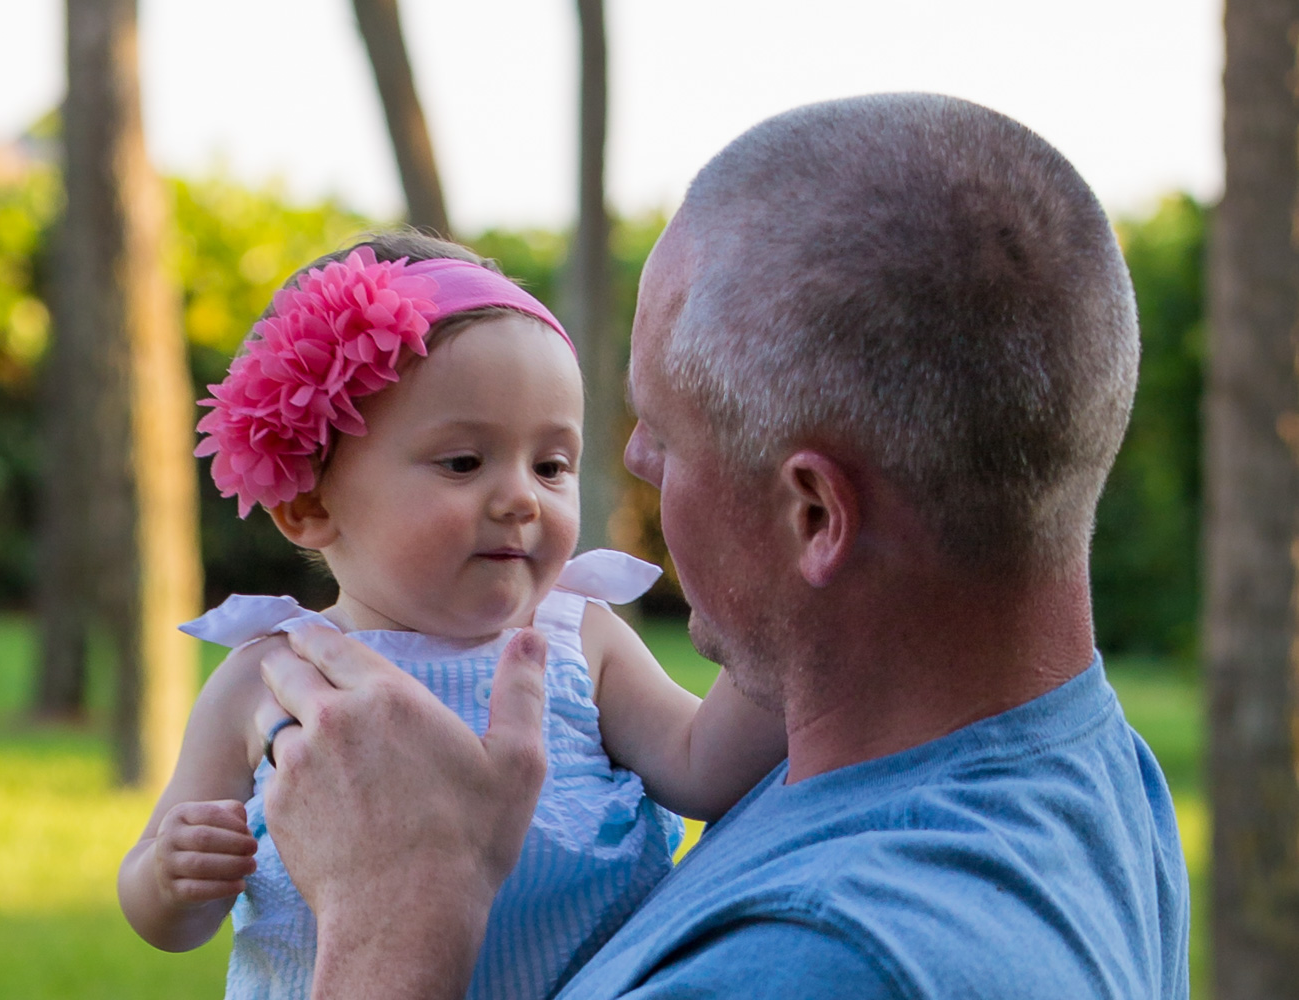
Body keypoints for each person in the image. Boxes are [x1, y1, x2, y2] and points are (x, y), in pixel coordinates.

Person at [255, 93, 1192, 999]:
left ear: (816, 517)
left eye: (665, 430)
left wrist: (398, 920)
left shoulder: (814, 967)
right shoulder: (1067, 758)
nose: (632, 460)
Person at [115, 232, 788, 1000]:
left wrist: (797, 611)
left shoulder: (578, 638)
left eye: (551, 464)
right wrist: (175, 877)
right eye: (463, 463)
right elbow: (164, 918)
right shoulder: (272, 679)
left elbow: (706, 767)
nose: (520, 497)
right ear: (307, 505)